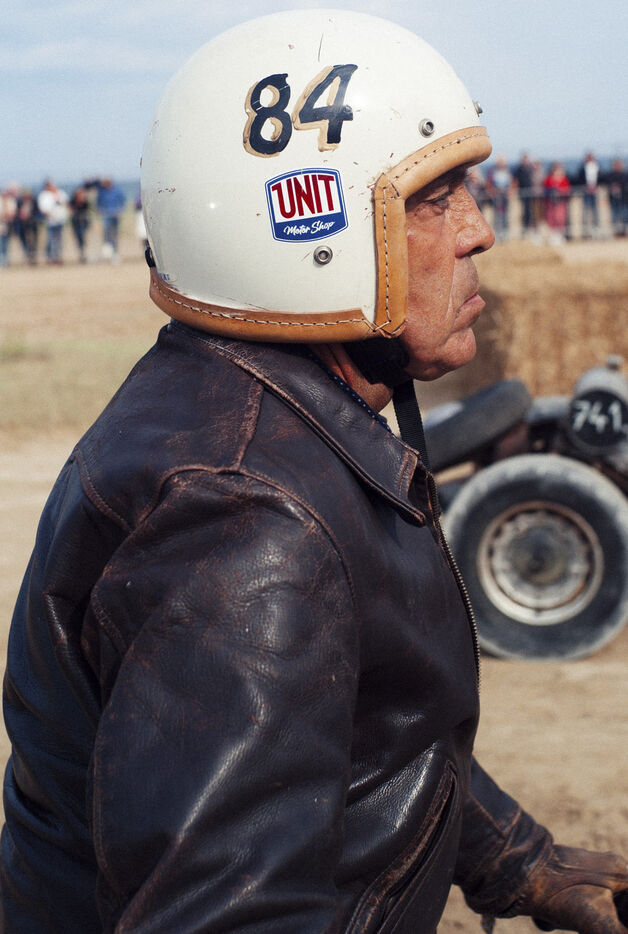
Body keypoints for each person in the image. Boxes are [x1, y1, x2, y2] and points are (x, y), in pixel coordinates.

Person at [1, 12, 627, 934]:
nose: (481, 231)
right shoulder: (247, 523)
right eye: (434, 199)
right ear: (305, 230)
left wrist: (513, 857)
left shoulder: (240, 406)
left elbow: (358, 721)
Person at [37, 178, 69, 264]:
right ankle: (50, 257)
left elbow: (66, 203)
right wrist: (49, 215)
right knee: (51, 240)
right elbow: (43, 209)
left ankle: (58, 257)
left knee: (59, 240)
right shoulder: (44, 195)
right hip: (50, 221)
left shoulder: (60, 193)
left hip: (61, 220)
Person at [96, 177, 126, 261]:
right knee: (106, 233)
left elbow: (123, 200)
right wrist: (100, 210)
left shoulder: (117, 191)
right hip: (106, 215)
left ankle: (115, 253)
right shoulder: (101, 192)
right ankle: (107, 251)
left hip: (115, 215)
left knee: (114, 234)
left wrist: (120, 210)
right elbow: (98, 203)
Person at [486, 154, 513, 240]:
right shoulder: (492, 171)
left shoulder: (508, 171)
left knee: (505, 214)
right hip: (496, 196)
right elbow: (489, 183)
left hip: (505, 196)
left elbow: (512, 182)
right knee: (497, 214)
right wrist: (491, 192)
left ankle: (505, 232)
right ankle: (497, 232)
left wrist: (510, 191)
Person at [544, 162, 571, 243]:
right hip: (551, 203)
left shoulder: (564, 179)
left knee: (560, 218)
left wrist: (560, 191)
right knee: (551, 219)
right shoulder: (548, 179)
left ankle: (560, 235)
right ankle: (552, 236)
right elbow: (545, 188)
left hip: (560, 202)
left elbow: (567, 189)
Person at [576, 152, 600, 238]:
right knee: (585, 211)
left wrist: (596, 186)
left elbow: (600, 178)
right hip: (585, 192)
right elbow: (579, 179)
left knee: (595, 211)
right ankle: (585, 230)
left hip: (595, 192)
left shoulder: (597, 167)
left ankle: (596, 230)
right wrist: (586, 187)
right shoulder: (582, 168)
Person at [513, 152, 534, 235]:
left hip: (531, 193)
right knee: (523, 211)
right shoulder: (518, 169)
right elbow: (515, 180)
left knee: (530, 212)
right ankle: (524, 228)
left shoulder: (531, 168)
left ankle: (530, 228)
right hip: (522, 193)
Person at [69, 185, 92, 262]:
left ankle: (84, 253)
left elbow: (88, 211)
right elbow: (70, 210)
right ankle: (81, 254)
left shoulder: (85, 202)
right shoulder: (73, 201)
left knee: (83, 237)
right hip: (76, 222)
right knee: (78, 238)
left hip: (84, 222)